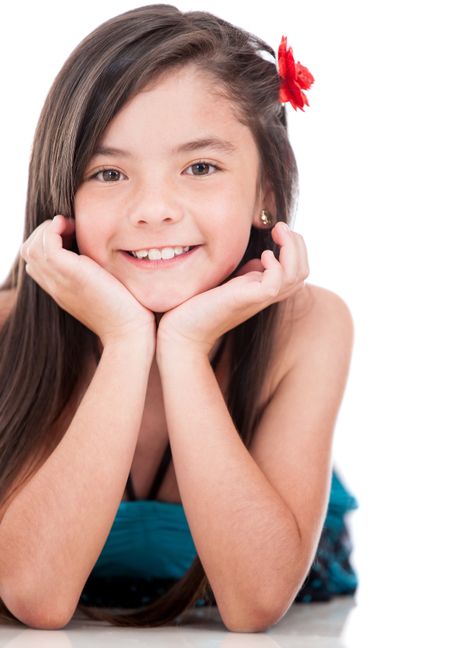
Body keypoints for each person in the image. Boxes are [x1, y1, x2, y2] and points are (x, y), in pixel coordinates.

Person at [0, 4, 358, 632]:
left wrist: (187, 346)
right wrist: (125, 338)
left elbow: (253, 606)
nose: (154, 209)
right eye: (109, 173)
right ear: (63, 195)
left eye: (199, 168)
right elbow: (34, 595)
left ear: (265, 193)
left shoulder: (308, 326)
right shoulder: (11, 331)